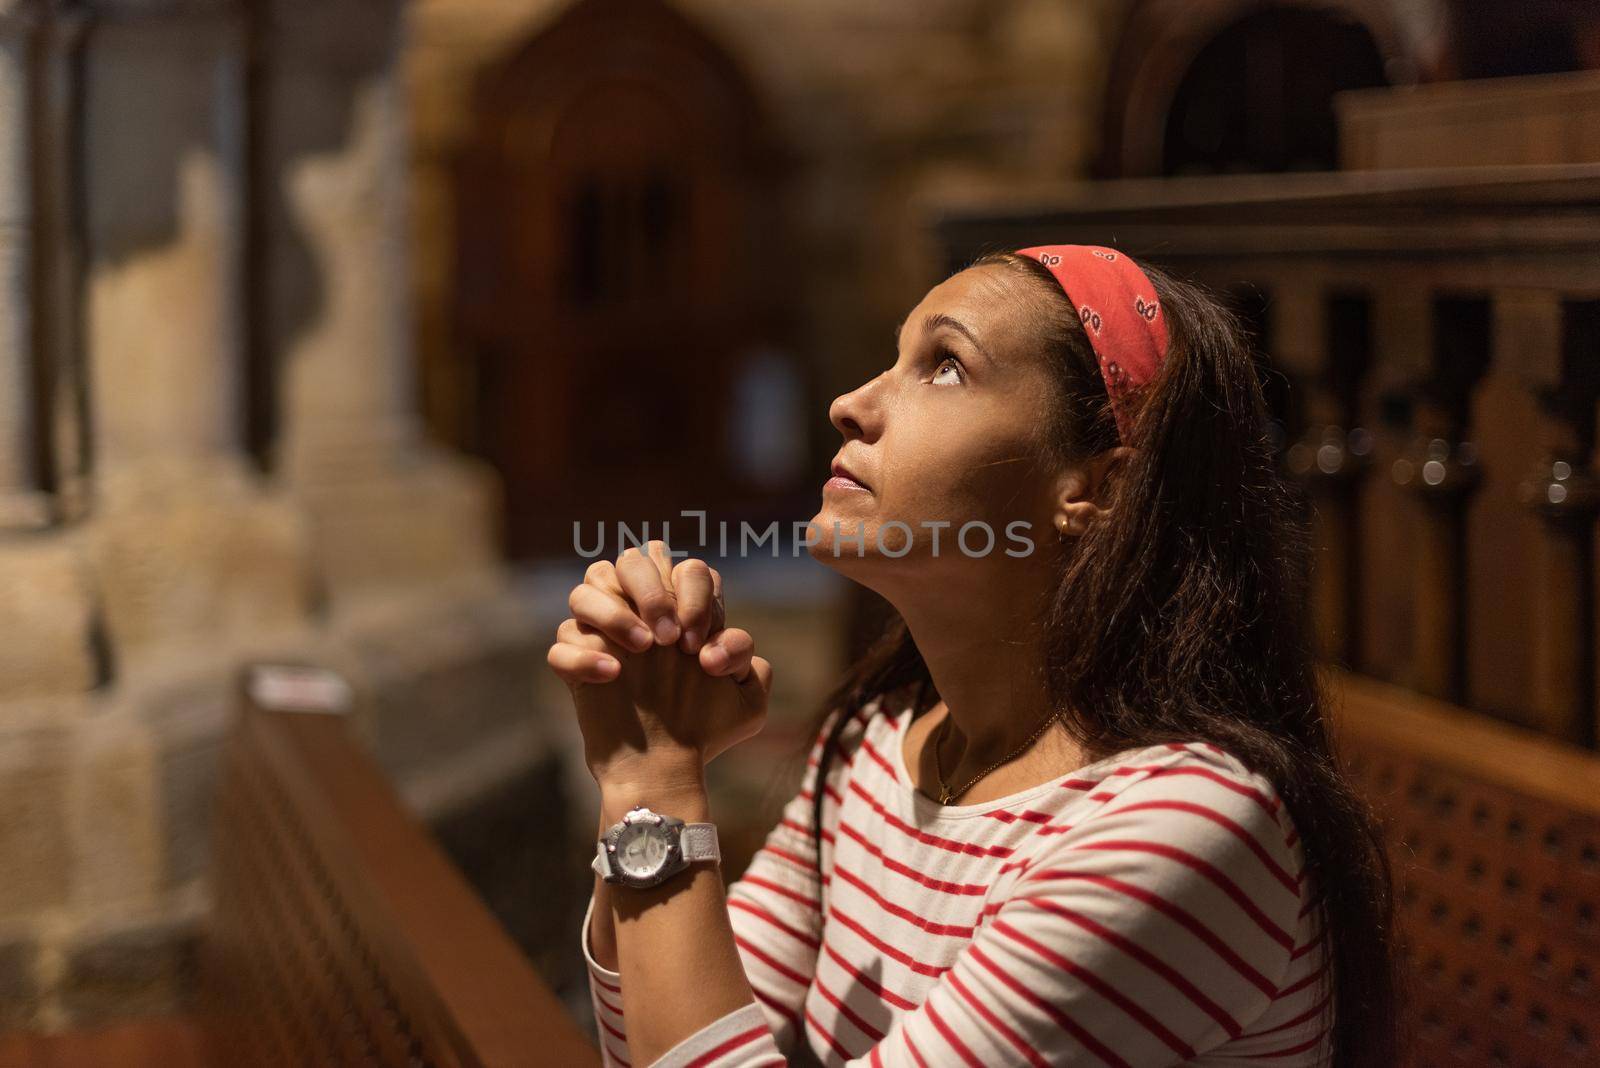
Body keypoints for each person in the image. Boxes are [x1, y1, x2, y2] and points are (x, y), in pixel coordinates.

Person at [546, 245, 1398, 1067]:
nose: (849, 403)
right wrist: (647, 778)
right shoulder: (879, 744)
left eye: (945, 365)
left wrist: (651, 786)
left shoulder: (1179, 829)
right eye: (895, 358)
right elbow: (672, 1042)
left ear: (1096, 490)